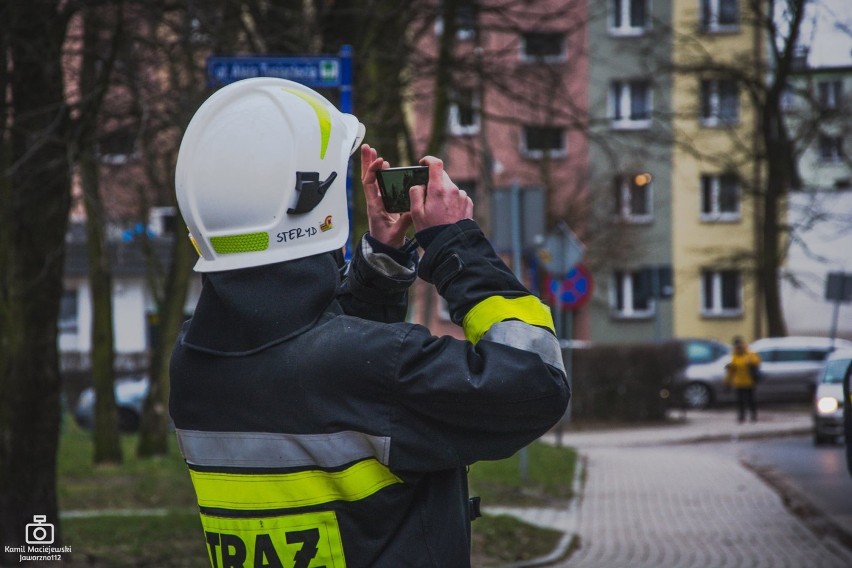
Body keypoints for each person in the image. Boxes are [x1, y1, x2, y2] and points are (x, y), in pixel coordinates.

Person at [169, 77, 570, 567]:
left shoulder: (192, 364)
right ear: (310, 200)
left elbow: (316, 378)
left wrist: (381, 264)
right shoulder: (380, 370)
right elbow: (536, 381)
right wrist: (455, 245)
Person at [723, 336, 761, 423]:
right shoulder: (735, 356)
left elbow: (757, 362)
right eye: (737, 346)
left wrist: (749, 361)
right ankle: (741, 416)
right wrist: (727, 382)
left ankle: (753, 415)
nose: (739, 348)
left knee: (751, 400)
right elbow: (732, 371)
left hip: (749, 382)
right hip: (739, 382)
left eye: (740, 345)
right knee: (740, 401)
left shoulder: (749, 354)